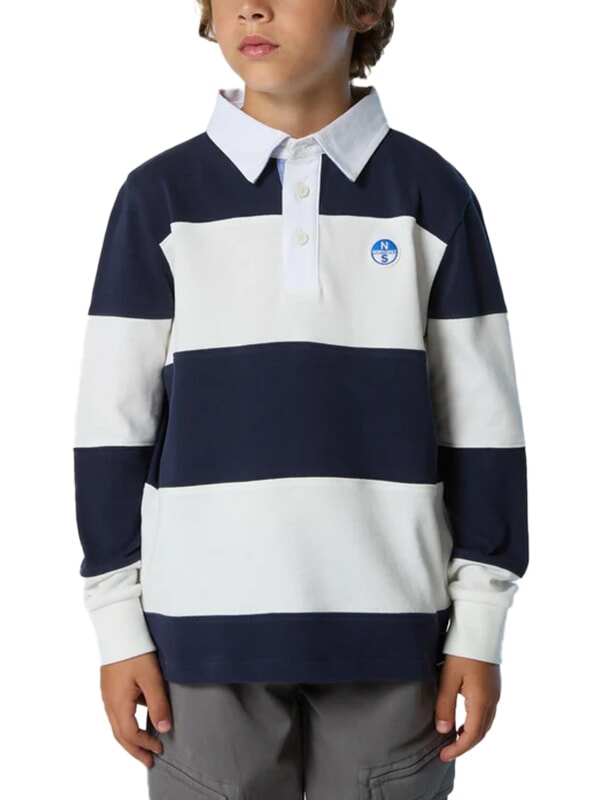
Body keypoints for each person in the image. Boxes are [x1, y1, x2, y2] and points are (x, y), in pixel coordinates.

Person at [72, 1, 529, 797]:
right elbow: (111, 430)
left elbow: (484, 431)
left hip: (394, 637)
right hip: (200, 646)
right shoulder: (158, 199)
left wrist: (480, 625)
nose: (253, 7)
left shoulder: (432, 195)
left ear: (365, 7)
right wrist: (117, 628)